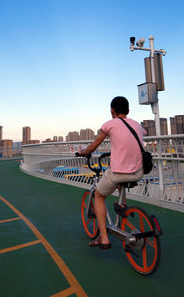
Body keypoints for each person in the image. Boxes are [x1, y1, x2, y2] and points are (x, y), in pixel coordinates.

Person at [77, 96, 146, 250]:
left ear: (112, 111)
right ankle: (122, 205)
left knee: (99, 196)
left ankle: (104, 238)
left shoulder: (109, 124)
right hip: (138, 172)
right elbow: (133, 138)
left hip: (119, 173)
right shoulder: (137, 125)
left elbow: (94, 146)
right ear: (128, 111)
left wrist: (83, 153)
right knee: (122, 178)